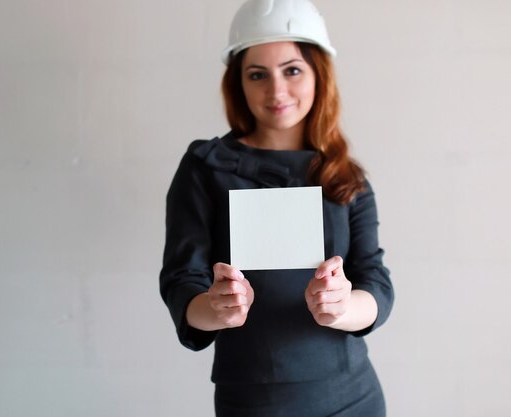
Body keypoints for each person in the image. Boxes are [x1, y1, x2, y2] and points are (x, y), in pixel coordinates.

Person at [159, 0, 394, 415]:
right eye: (257, 75)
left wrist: (343, 305)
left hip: (352, 398)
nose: (277, 91)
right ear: (239, 84)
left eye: (292, 70)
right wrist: (214, 307)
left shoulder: (345, 175)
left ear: (318, 74)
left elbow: (375, 280)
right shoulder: (205, 168)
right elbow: (182, 281)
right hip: (254, 401)